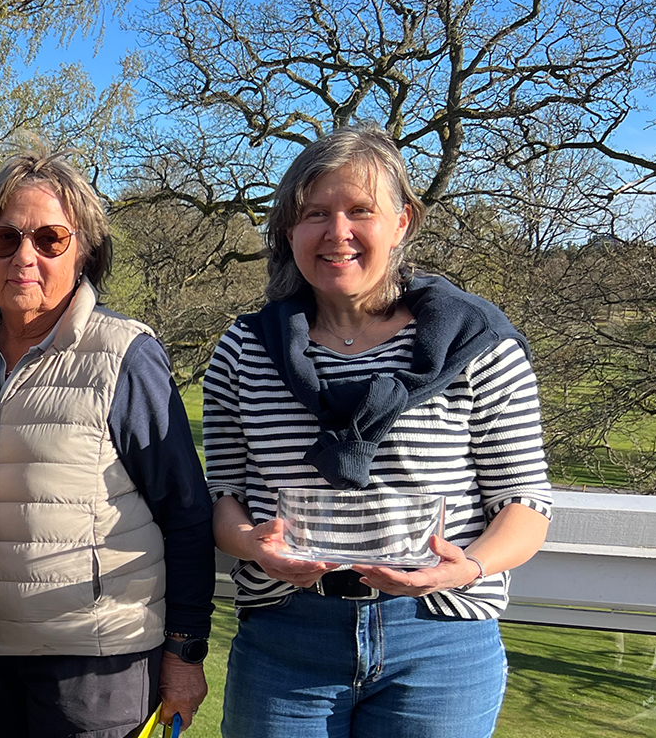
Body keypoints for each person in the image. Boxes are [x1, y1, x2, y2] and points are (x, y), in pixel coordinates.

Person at [204, 124, 553, 737]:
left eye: (360, 210)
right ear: (290, 232)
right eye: (314, 213)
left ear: (403, 222)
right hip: (287, 636)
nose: (337, 232)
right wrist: (254, 545)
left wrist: (463, 568)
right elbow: (222, 497)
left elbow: (526, 505)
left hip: (439, 639)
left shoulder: (477, 346)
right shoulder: (245, 348)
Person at [0, 144, 215, 738]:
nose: (24, 257)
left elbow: (187, 514)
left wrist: (186, 652)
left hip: (99, 667)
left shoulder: (124, 355)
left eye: (50, 240)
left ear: (84, 252)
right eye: (4, 238)